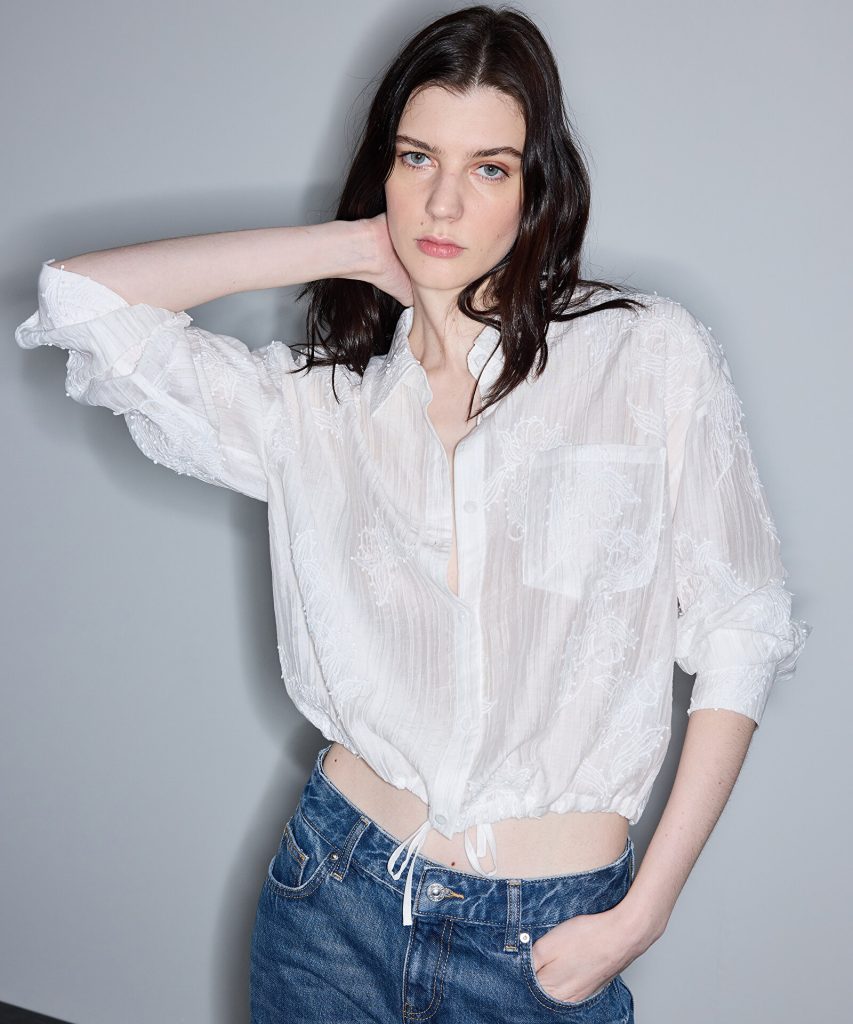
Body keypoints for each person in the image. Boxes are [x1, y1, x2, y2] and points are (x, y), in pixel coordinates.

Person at [14, 5, 812, 1022]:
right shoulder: (318, 408)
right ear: (382, 171)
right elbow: (80, 301)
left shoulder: (644, 355)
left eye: (489, 168)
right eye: (416, 157)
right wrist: (348, 245)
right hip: (331, 902)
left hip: (542, 936)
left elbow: (741, 627)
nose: (442, 201)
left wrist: (641, 914)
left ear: (535, 189)